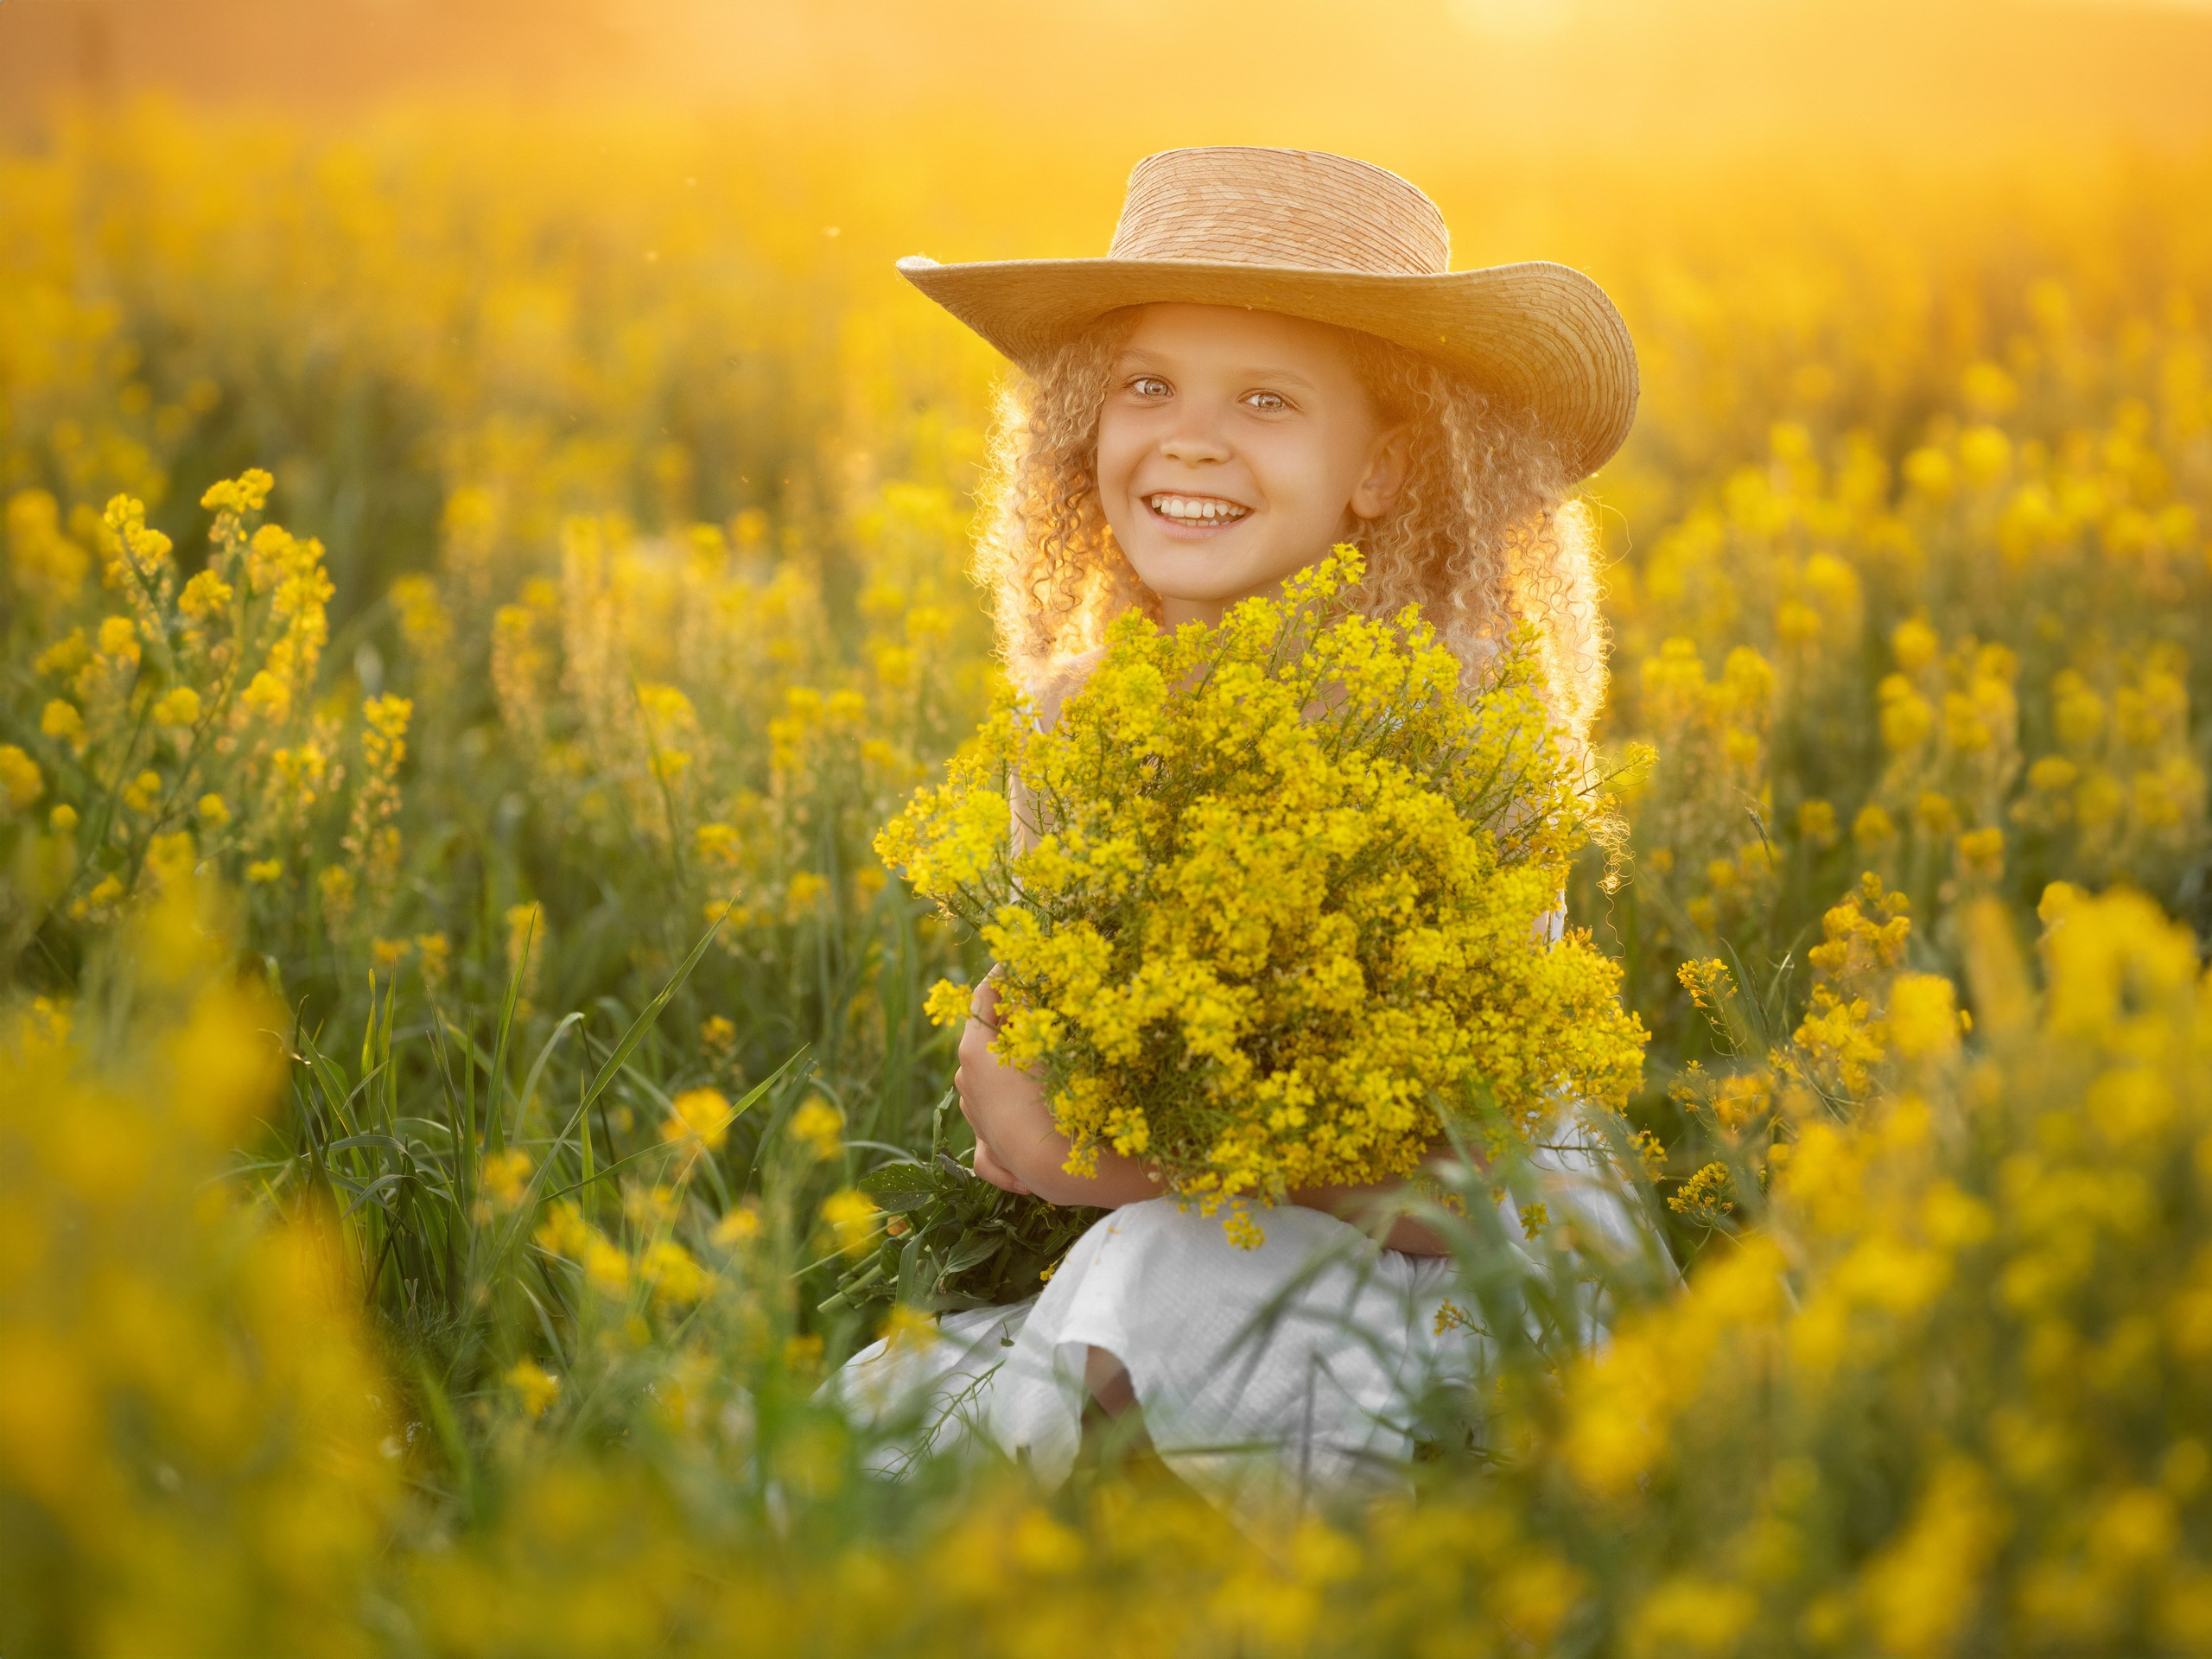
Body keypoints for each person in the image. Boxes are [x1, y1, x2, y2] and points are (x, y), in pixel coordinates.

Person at [833, 145, 1644, 1520]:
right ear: (1088, 428)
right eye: (1149, 385)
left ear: (1382, 466)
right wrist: (1054, 1105)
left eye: (1266, 400)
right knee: (884, 1400)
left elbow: (1451, 1186)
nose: (1191, 438)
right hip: (1220, 1234)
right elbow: (1063, 1046)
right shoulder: (1078, 723)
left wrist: (1070, 1160)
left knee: (1156, 1281)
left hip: (1467, 1279)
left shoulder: (1456, 719)